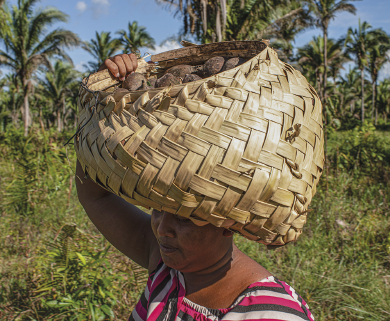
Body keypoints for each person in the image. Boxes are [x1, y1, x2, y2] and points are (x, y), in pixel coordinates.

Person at [76, 53, 315, 321]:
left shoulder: (271, 313)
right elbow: (94, 196)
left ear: (227, 218)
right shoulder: (165, 266)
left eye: (182, 217)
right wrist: (106, 97)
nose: (161, 228)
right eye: (157, 209)